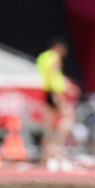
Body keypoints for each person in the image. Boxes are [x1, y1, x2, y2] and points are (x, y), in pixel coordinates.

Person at [37, 38, 72, 170]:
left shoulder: (42, 57)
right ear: (58, 47)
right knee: (68, 118)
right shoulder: (54, 57)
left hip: (47, 91)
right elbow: (53, 75)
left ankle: (45, 155)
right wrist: (57, 95)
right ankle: (56, 148)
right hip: (55, 93)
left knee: (48, 125)